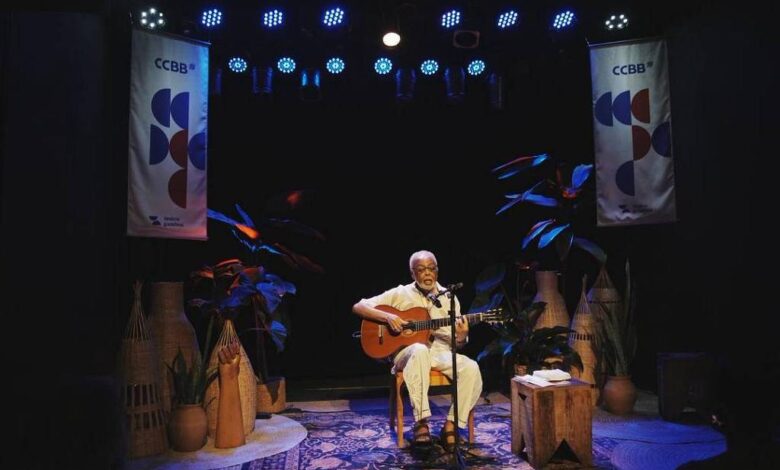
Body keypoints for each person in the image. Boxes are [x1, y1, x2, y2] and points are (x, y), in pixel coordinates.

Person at [352, 250, 483, 450]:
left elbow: (458, 343)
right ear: (413, 274)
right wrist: (388, 318)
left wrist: (462, 336)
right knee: (420, 349)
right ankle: (421, 423)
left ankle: (451, 424)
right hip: (407, 354)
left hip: (440, 353)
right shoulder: (399, 293)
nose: (427, 274)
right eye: (421, 270)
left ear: (437, 271)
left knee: (471, 367)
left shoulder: (449, 298)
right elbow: (359, 306)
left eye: (431, 269)